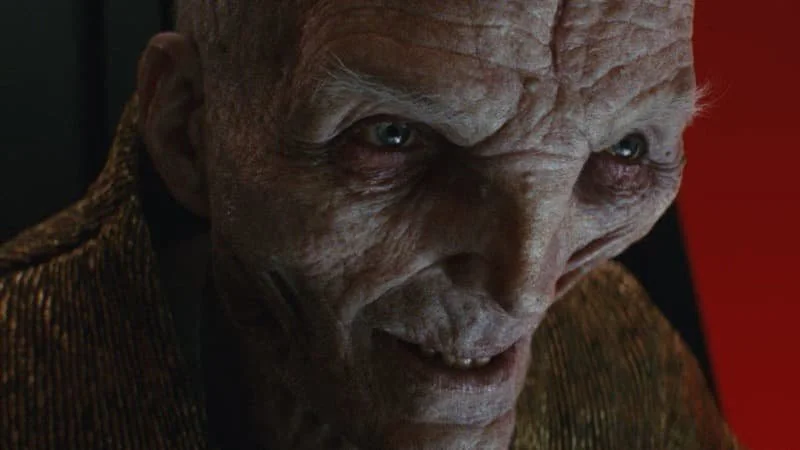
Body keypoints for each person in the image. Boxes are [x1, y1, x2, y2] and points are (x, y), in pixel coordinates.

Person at [0, 1, 744, 449]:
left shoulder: (624, 354)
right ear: (190, 130)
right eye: (394, 135)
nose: (524, 290)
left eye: (625, 150)